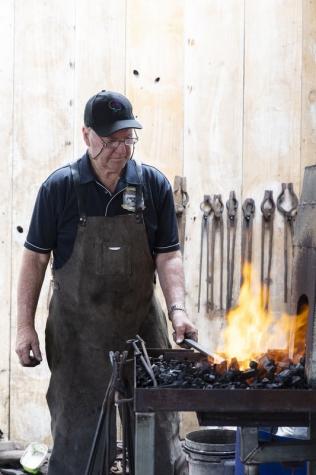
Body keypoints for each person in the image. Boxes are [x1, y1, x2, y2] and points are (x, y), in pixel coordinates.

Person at [15, 90, 198, 474]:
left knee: (159, 439)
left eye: (127, 138)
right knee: (79, 440)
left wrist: (178, 310)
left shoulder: (153, 186)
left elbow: (168, 255)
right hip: (76, 334)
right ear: (86, 136)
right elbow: (34, 258)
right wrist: (23, 326)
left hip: (141, 329)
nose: (121, 149)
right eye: (110, 140)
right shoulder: (60, 188)